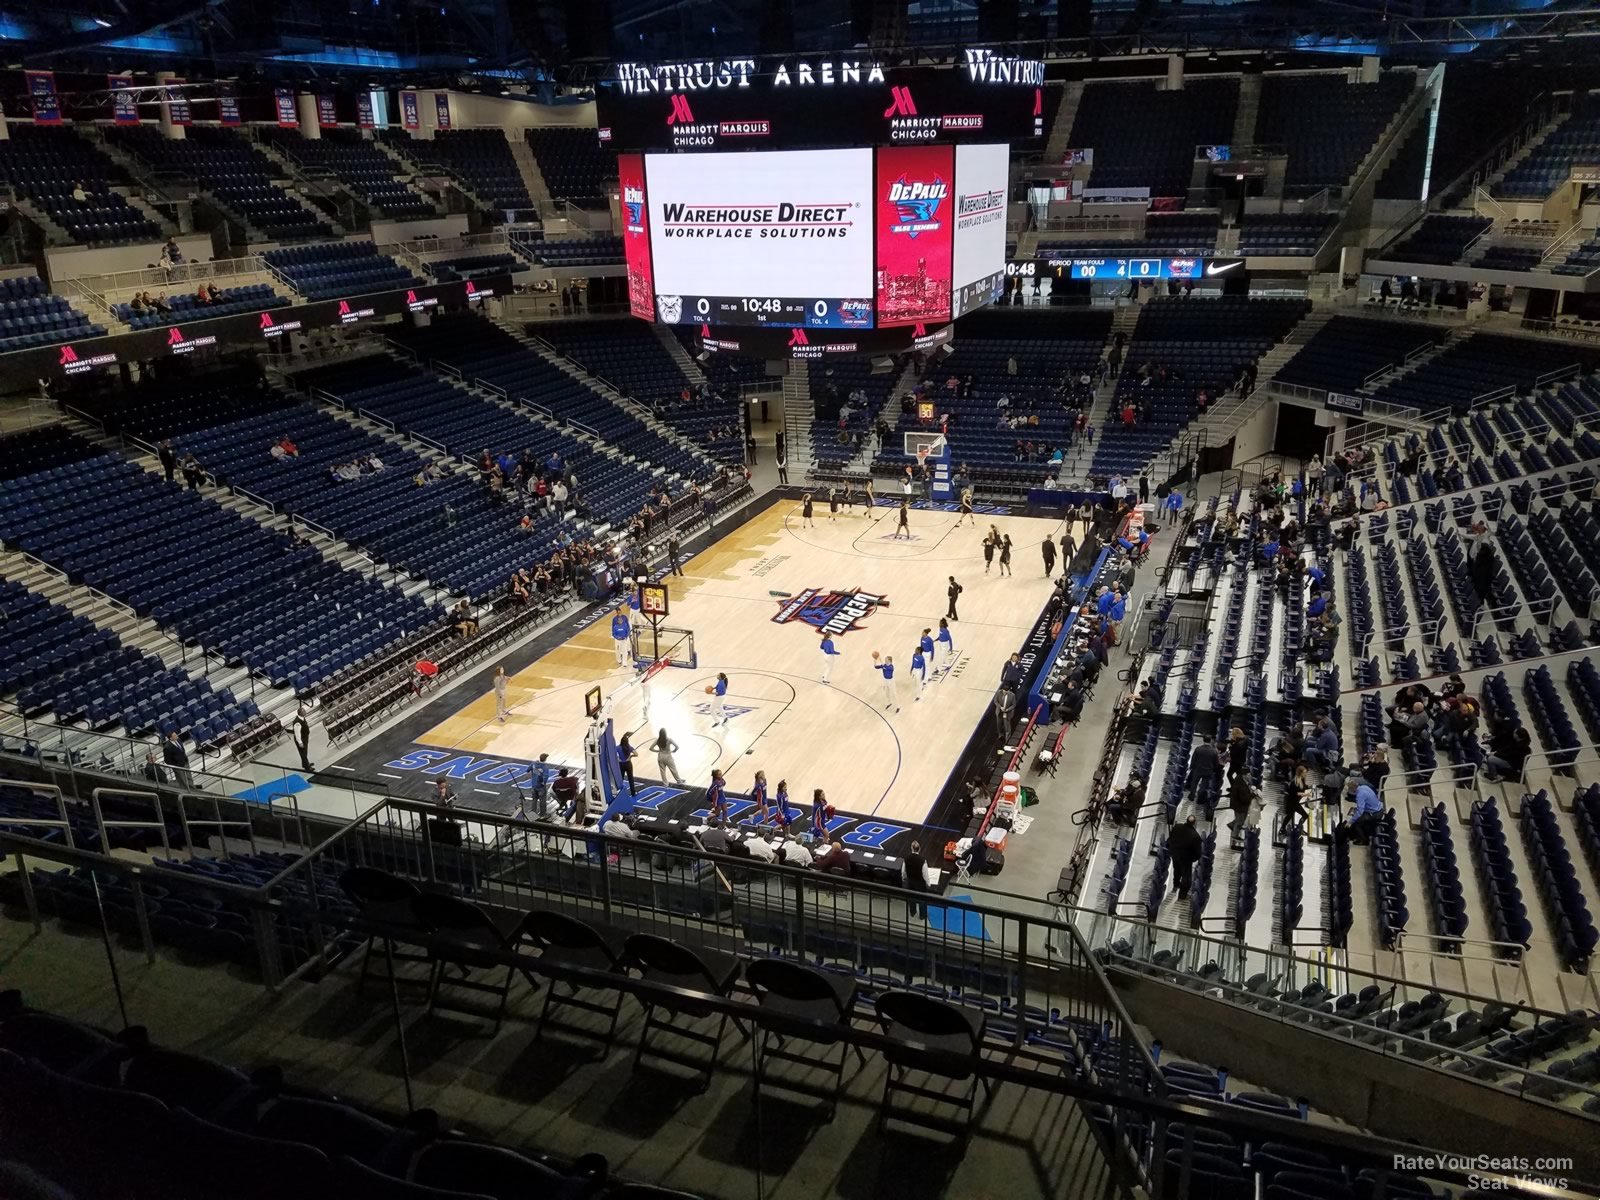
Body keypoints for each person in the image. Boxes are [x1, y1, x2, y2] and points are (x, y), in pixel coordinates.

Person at [1168, 816, 1203, 901]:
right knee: (1186, 879)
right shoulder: (1195, 836)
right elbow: (1198, 853)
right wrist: (1193, 859)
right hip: (1186, 859)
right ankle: (1182, 896)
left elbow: (1170, 839)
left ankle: (1176, 883)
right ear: (1194, 823)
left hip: (1175, 854)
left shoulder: (1177, 827)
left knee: (1176, 870)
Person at [1349, 778, 1383, 844]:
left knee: (1356, 823)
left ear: (1352, 789)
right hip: (1378, 809)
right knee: (1357, 817)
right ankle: (1357, 836)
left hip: (1375, 814)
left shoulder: (1359, 795)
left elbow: (1360, 811)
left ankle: (1364, 840)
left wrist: (1351, 821)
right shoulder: (1364, 787)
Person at [290, 703, 313, 773]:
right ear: (300, 713)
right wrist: (300, 742)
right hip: (301, 739)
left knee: (305, 752)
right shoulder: (297, 722)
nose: (305, 712)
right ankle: (307, 767)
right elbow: (297, 733)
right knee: (303, 753)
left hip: (305, 737)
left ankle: (306, 764)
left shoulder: (302, 718)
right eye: (303, 711)